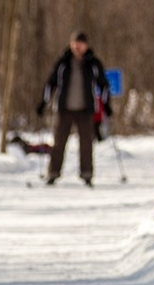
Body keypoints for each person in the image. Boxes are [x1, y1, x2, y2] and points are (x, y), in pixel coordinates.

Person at [36, 31, 111, 187]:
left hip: (86, 109)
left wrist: (106, 105)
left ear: (86, 45)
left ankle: (87, 174)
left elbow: (103, 85)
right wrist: (44, 102)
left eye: (81, 44)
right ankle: (53, 173)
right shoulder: (63, 62)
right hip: (64, 109)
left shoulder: (93, 63)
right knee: (59, 142)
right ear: (71, 44)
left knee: (86, 143)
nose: (77, 47)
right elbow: (51, 83)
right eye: (75, 43)